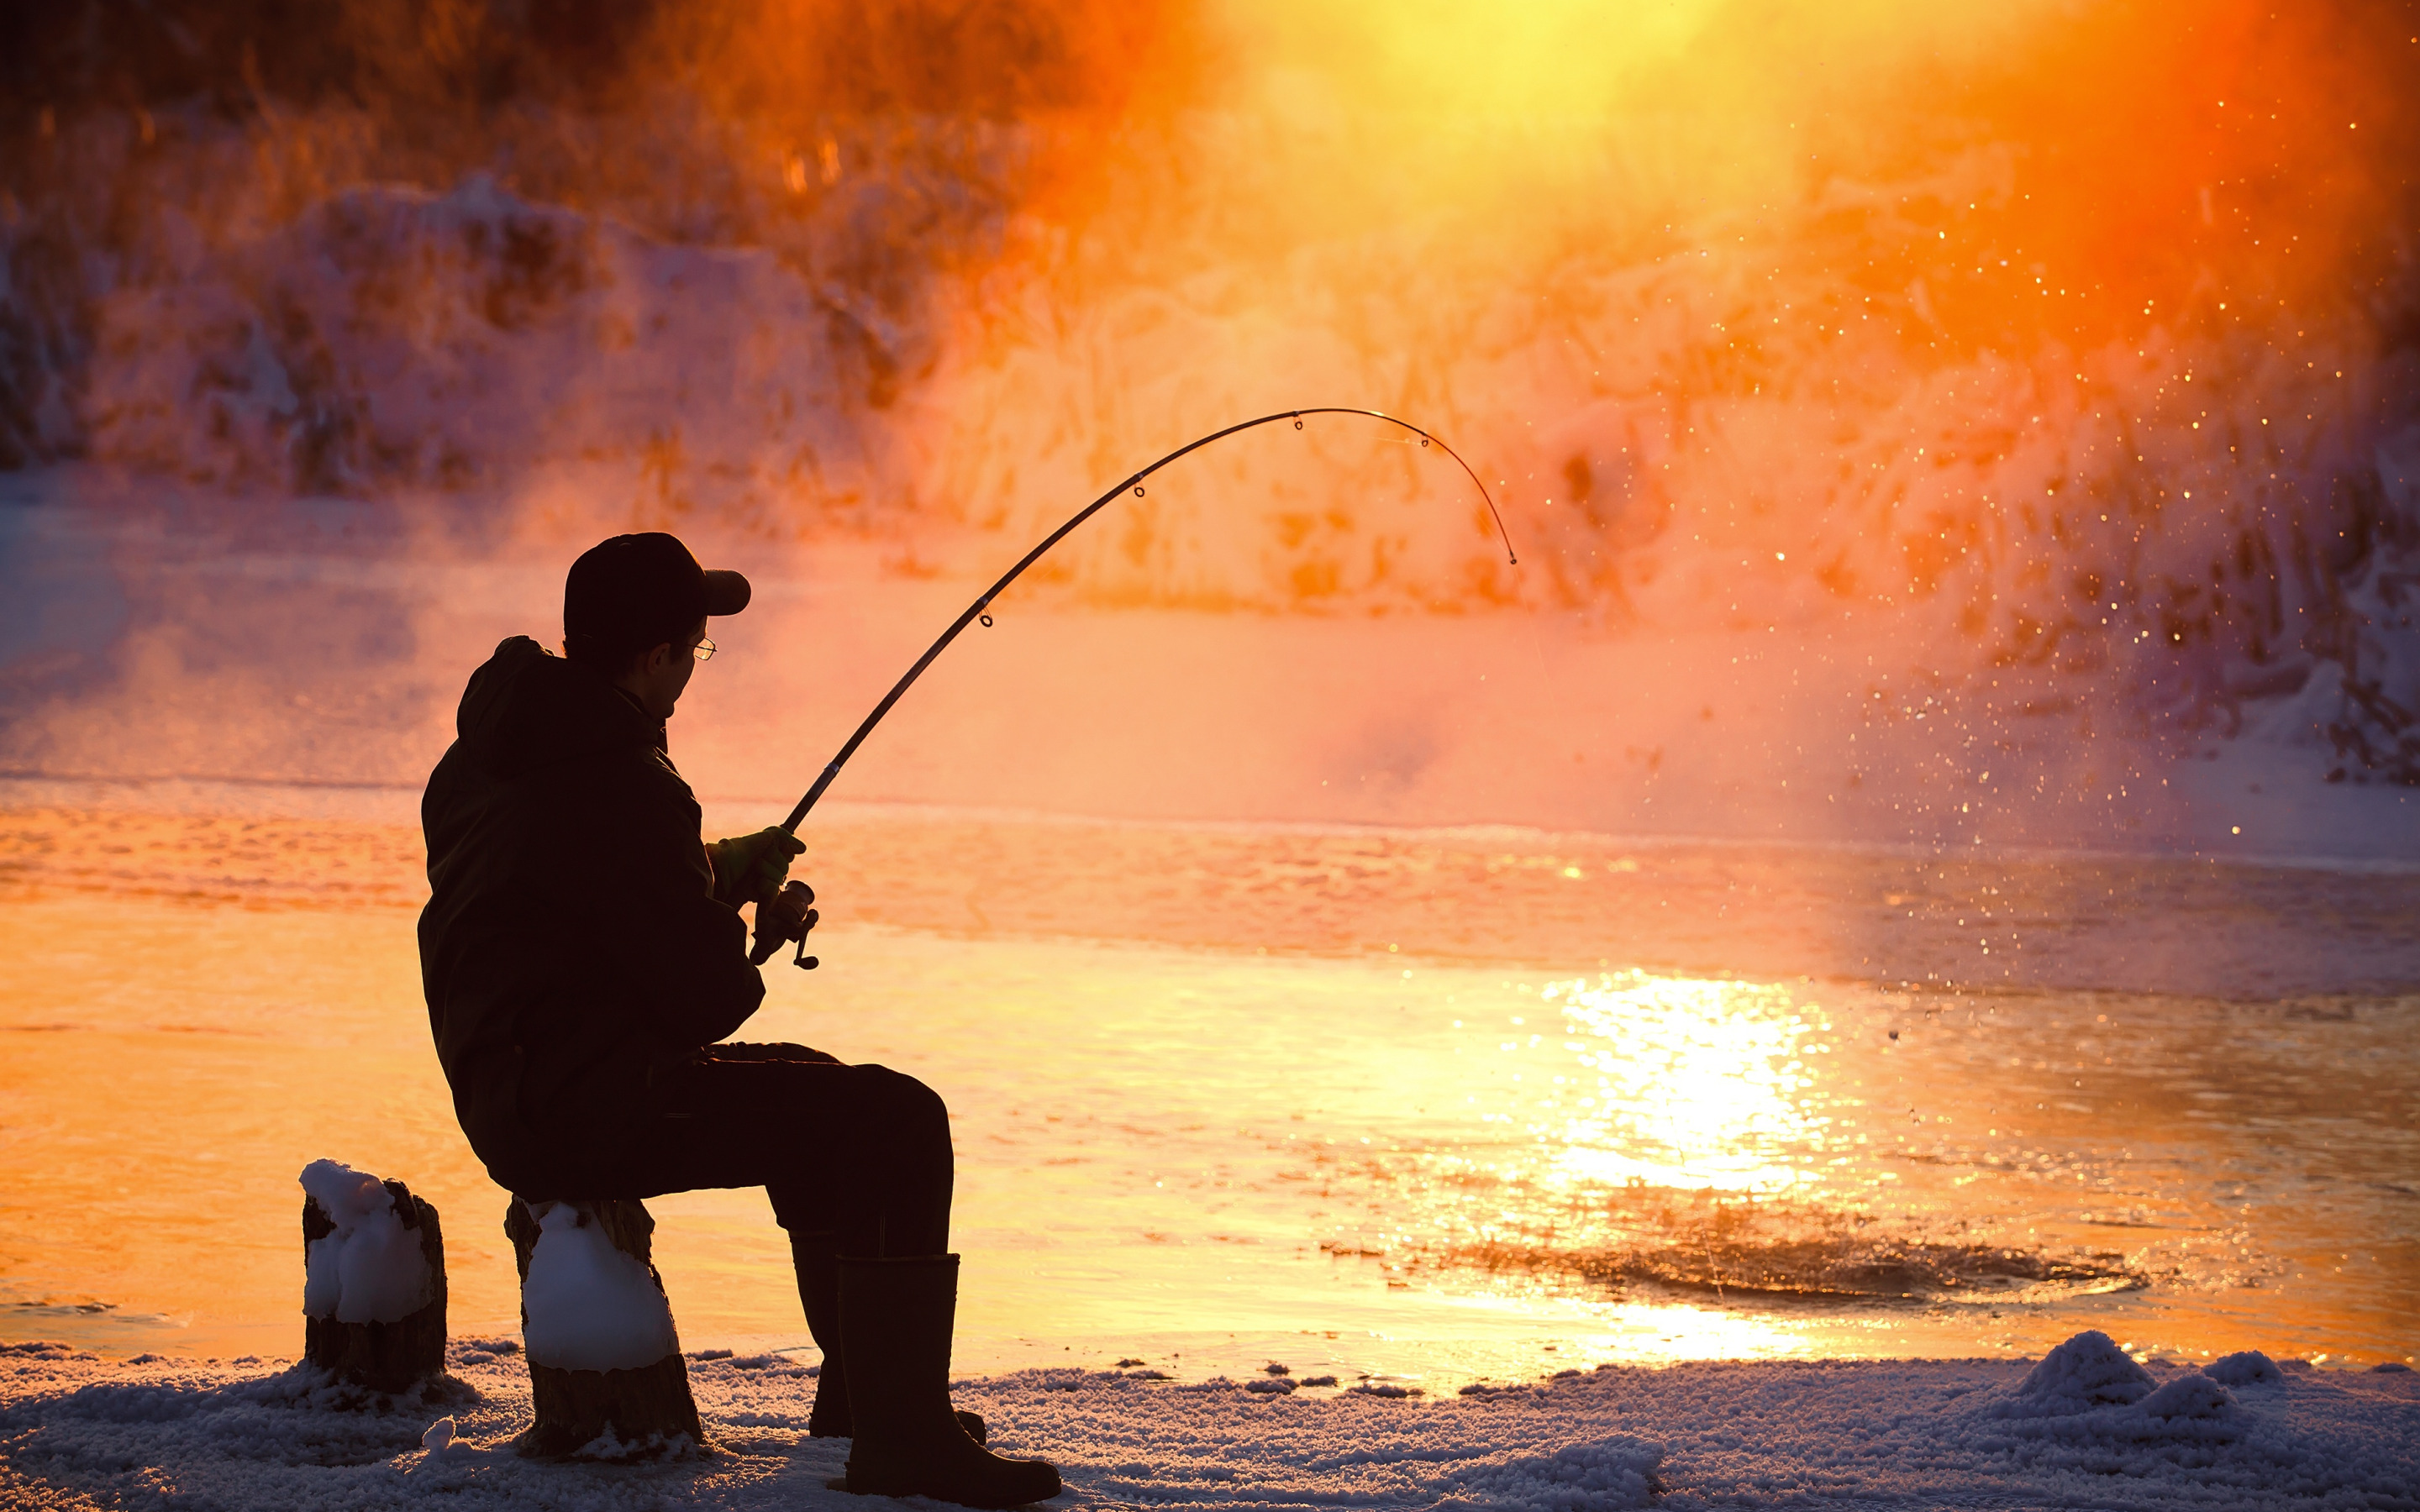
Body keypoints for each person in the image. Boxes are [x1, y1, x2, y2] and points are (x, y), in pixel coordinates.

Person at [418, 532, 1059, 1507]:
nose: (692, 673)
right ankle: (902, 1441)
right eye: (695, 649)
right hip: (581, 1104)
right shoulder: (626, 778)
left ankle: (866, 1405)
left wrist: (713, 870)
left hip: (514, 1078)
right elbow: (707, 1000)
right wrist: (748, 918)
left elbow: (574, 892)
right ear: (653, 657)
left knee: (818, 1085)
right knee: (899, 1120)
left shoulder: (494, 751)